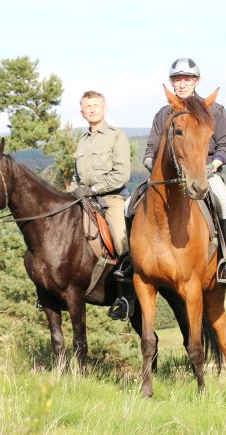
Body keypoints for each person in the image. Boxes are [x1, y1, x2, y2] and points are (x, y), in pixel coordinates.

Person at [143, 57, 226, 285]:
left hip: (205, 171)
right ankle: (132, 261)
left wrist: (214, 164)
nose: (183, 84)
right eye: (177, 80)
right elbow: (152, 147)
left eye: (188, 79)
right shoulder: (164, 113)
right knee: (131, 206)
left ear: (197, 81)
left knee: (224, 203)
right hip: (168, 177)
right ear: (172, 83)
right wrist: (149, 162)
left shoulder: (213, 110)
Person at [69, 90, 134, 319]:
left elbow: (121, 174)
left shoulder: (116, 136)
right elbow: (77, 178)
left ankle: (127, 296)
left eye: (96, 105)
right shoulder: (82, 141)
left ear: (105, 108)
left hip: (111, 199)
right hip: (82, 198)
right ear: (82, 112)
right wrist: (69, 195)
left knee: (120, 239)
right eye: (88, 106)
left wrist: (94, 189)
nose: (92, 109)